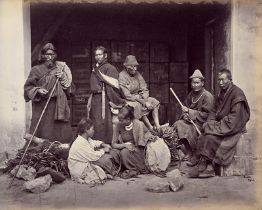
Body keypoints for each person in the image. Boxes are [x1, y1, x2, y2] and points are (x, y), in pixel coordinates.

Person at [188, 69, 250, 178]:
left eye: (222, 80)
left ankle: (209, 167)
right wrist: (210, 122)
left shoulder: (237, 94)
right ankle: (204, 164)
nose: (220, 83)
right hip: (222, 125)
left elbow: (234, 120)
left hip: (234, 128)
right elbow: (213, 110)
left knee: (210, 137)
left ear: (230, 80)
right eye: (219, 80)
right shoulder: (222, 93)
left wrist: (214, 126)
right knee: (204, 134)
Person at [24, 43, 73, 143]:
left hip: (58, 106)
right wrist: (38, 90)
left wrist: (63, 78)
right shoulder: (36, 70)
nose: (49, 57)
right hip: (41, 106)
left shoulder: (60, 69)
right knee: (42, 132)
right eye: (47, 54)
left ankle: (60, 152)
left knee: (60, 136)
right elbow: (28, 87)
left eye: (52, 54)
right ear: (42, 56)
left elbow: (71, 89)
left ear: (55, 55)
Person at [172, 69, 214, 164]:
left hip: (202, 124)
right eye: (193, 83)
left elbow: (207, 115)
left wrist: (190, 112)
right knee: (178, 124)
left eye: (197, 83)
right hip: (191, 121)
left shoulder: (208, 96)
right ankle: (188, 151)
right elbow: (184, 107)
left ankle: (196, 154)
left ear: (202, 83)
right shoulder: (191, 94)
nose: (194, 85)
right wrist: (185, 115)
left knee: (188, 129)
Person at [89, 46, 125, 144]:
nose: (97, 57)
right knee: (94, 121)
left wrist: (113, 100)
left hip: (104, 98)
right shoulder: (95, 68)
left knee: (102, 122)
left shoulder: (110, 68)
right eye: (96, 55)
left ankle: (105, 143)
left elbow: (115, 86)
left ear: (105, 55)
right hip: (95, 98)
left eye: (100, 54)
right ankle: (95, 143)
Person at [68, 118, 121, 184]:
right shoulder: (80, 142)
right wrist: (103, 150)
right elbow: (93, 156)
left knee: (105, 160)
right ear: (86, 130)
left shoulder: (86, 139)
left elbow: (94, 143)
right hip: (78, 169)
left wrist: (102, 144)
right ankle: (103, 174)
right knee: (104, 159)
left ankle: (104, 173)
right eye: (92, 129)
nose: (94, 131)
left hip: (84, 164)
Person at [119, 55, 161, 133]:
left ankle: (157, 125)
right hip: (129, 100)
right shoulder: (122, 76)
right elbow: (127, 95)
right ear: (127, 67)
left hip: (140, 97)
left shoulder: (137, 74)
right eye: (132, 67)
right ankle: (150, 128)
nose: (134, 69)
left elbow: (144, 88)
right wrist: (144, 102)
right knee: (137, 106)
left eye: (135, 66)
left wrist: (145, 99)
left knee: (154, 101)